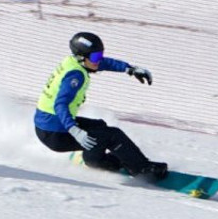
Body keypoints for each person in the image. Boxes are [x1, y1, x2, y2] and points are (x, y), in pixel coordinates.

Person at [34, 31, 168, 181]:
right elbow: (61, 104)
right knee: (113, 135)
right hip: (56, 133)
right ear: (81, 57)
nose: (98, 60)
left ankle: (101, 160)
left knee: (99, 127)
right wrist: (74, 130)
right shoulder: (75, 76)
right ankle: (143, 169)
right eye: (95, 56)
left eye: (100, 54)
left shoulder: (74, 62)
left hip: (47, 125)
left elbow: (103, 63)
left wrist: (129, 69)